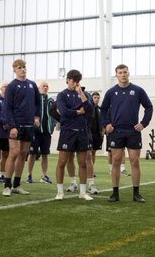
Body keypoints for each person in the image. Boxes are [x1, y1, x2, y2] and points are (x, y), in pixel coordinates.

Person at [100, 64, 153, 203]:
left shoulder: (138, 90)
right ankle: (115, 193)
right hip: (116, 131)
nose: (123, 75)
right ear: (116, 75)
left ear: (128, 73)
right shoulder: (111, 92)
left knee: (135, 161)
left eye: (125, 72)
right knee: (116, 161)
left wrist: (143, 123)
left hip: (133, 131)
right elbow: (103, 109)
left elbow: (149, 107)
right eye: (120, 73)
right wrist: (106, 124)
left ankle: (136, 193)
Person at [54, 71, 94, 201]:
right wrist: (78, 112)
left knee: (82, 162)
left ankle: (82, 192)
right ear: (67, 80)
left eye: (77, 81)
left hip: (82, 131)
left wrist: (81, 94)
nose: (75, 83)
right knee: (62, 161)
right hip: (67, 131)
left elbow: (89, 111)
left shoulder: (84, 94)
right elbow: (64, 111)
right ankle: (60, 192)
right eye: (73, 80)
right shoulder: (62, 95)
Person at [2, 59, 39, 196]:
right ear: (14, 70)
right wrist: (12, 126)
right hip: (16, 125)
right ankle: (7, 185)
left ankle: (16, 185)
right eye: (19, 67)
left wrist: (37, 117)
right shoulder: (12, 86)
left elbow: (38, 103)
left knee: (23, 154)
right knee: (14, 152)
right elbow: (7, 107)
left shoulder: (32, 85)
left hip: (29, 125)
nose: (22, 69)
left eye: (24, 67)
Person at [25, 80, 56, 183]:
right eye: (43, 86)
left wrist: (52, 126)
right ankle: (29, 175)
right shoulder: (34, 99)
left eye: (47, 86)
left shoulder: (51, 101)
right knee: (32, 154)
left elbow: (54, 115)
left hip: (46, 132)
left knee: (45, 154)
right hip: (35, 132)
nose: (45, 87)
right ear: (39, 88)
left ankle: (44, 175)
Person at [86, 90, 103, 195]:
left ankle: (92, 170)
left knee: (93, 153)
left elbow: (102, 121)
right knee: (88, 153)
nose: (96, 99)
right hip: (89, 133)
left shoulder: (100, 109)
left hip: (97, 134)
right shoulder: (89, 108)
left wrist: (102, 131)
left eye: (98, 98)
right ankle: (88, 173)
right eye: (95, 97)